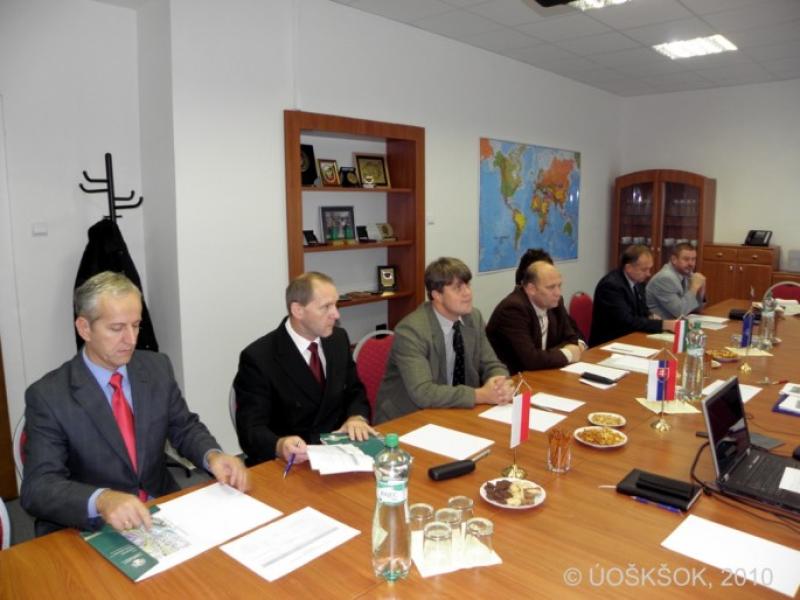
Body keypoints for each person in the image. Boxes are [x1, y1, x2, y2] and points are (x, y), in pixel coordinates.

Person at [21, 272, 249, 536]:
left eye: (136, 325)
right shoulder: (48, 396)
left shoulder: (156, 367)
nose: (131, 339)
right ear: (84, 328)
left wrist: (213, 456)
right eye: (117, 328)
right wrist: (101, 499)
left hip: (160, 507)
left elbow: (184, 427)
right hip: (92, 526)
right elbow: (38, 487)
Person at [234, 272, 373, 466]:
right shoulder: (259, 357)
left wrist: (356, 417)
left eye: (336, 304)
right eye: (326, 307)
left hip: (339, 451)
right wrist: (280, 445)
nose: (336, 314)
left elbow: (355, 391)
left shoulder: (337, 339)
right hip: (290, 461)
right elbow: (251, 430)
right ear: (298, 310)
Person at [374, 257, 513, 424]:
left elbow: (492, 364)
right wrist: (480, 395)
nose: (468, 293)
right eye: (458, 288)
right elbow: (423, 392)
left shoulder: (473, 318)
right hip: (407, 418)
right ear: (437, 295)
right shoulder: (411, 331)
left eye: (467, 285)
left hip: (455, 411)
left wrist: (498, 383)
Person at [487, 261, 584, 372]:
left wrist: (545, 356)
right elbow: (530, 360)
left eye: (559, 285)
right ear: (531, 289)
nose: (558, 293)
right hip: (514, 377)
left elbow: (571, 339)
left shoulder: (555, 302)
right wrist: (567, 354)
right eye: (551, 287)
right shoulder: (513, 309)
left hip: (544, 372)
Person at [589, 245, 676, 347]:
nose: (648, 274)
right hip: (608, 344)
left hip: (630, 337)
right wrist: (663, 324)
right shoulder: (611, 286)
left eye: (649, 269)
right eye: (644, 270)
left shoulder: (638, 282)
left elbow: (642, 310)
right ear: (629, 268)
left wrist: (650, 315)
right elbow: (626, 321)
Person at [646, 242, 706, 319]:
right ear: (674, 259)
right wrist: (694, 288)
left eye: (693, 259)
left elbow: (697, 310)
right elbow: (680, 312)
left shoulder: (686, 274)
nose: (691, 263)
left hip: (676, 323)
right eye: (686, 259)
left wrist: (701, 291)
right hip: (660, 324)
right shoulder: (665, 278)